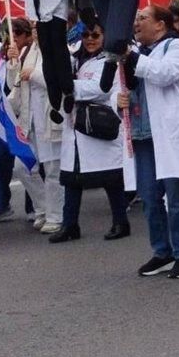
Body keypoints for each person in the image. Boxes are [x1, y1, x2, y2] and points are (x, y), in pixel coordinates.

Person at [122, 3, 179, 279]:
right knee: (150, 198)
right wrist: (116, 100)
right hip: (144, 135)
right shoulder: (135, 56)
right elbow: (122, 91)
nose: (136, 23)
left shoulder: (176, 48)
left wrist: (132, 56)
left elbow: (164, 74)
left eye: (143, 18)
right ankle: (162, 252)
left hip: (170, 135)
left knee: (177, 198)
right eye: (136, 18)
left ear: (160, 25)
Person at [53, 24, 132, 242]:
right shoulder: (75, 59)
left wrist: (68, 86)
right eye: (86, 35)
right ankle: (70, 225)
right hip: (76, 127)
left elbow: (100, 88)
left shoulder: (110, 60)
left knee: (111, 178)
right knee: (72, 178)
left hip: (99, 125)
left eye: (95, 35)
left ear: (105, 36)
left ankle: (120, 222)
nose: (90, 39)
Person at [6, 19, 64, 236]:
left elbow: (62, 81)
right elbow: (16, 84)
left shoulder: (61, 49)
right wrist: (13, 65)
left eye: (40, 28)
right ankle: (42, 208)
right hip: (29, 120)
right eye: (34, 29)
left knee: (52, 170)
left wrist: (36, 74)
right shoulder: (27, 51)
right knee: (21, 166)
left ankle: (56, 215)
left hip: (50, 118)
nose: (36, 32)